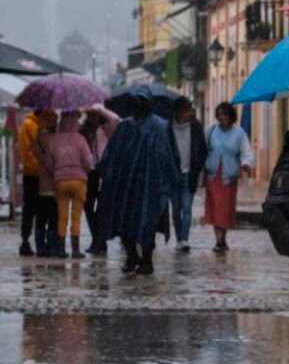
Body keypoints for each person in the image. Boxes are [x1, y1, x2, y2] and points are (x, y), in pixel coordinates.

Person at [97, 91, 178, 275]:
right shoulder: (125, 126)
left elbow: (167, 155)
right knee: (125, 223)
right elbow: (113, 153)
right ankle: (132, 256)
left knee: (148, 223)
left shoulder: (159, 126)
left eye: (138, 102)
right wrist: (107, 172)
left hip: (151, 184)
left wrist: (168, 179)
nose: (135, 106)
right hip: (127, 185)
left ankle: (147, 261)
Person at [40, 111, 93, 259]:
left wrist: (56, 172)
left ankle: (61, 249)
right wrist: (84, 171)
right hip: (79, 181)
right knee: (76, 216)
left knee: (62, 216)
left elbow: (48, 162)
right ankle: (75, 250)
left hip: (60, 181)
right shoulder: (80, 139)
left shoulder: (54, 140)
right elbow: (88, 162)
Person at [203, 102, 254, 253]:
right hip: (213, 174)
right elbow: (202, 149)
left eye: (225, 114)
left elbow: (246, 151)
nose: (222, 118)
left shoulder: (239, 133)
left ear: (231, 116)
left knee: (225, 209)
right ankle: (218, 239)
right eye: (219, 115)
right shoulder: (211, 131)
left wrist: (246, 164)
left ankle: (223, 237)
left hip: (229, 176)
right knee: (214, 207)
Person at [16, 109, 57, 256]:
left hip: (37, 173)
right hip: (34, 173)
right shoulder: (30, 125)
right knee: (32, 209)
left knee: (39, 210)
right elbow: (33, 150)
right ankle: (27, 241)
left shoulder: (35, 125)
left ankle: (38, 243)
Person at [169, 97, 207, 252]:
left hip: (189, 174)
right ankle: (179, 238)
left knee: (187, 207)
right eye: (186, 110)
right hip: (174, 174)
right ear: (178, 112)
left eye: (190, 109)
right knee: (176, 209)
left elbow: (203, 149)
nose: (189, 113)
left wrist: (198, 167)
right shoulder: (168, 128)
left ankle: (184, 239)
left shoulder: (196, 127)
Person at [82, 105, 120, 255]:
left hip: (105, 171)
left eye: (95, 115)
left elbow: (115, 118)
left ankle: (99, 242)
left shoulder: (107, 128)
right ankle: (97, 239)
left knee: (102, 209)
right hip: (90, 172)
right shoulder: (84, 130)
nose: (92, 118)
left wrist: (99, 109)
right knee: (88, 207)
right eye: (90, 115)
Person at [31, 119, 59, 257]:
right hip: (55, 185)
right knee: (54, 218)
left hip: (41, 183)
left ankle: (40, 247)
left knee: (41, 218)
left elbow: (35, 155)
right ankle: (53, 246)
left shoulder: (37, 139)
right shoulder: (57, 140)